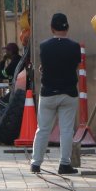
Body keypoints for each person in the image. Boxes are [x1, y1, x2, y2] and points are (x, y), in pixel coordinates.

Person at [30, 13, 82, 174]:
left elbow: (45, 66)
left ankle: (36, 163)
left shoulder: (44, 46)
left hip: (48, 93)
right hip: (69, 93)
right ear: (68, 28)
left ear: (52, 28)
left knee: (43, 129)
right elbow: (76, 67)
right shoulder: (75, 47)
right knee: (66, 130)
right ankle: (64, 164)